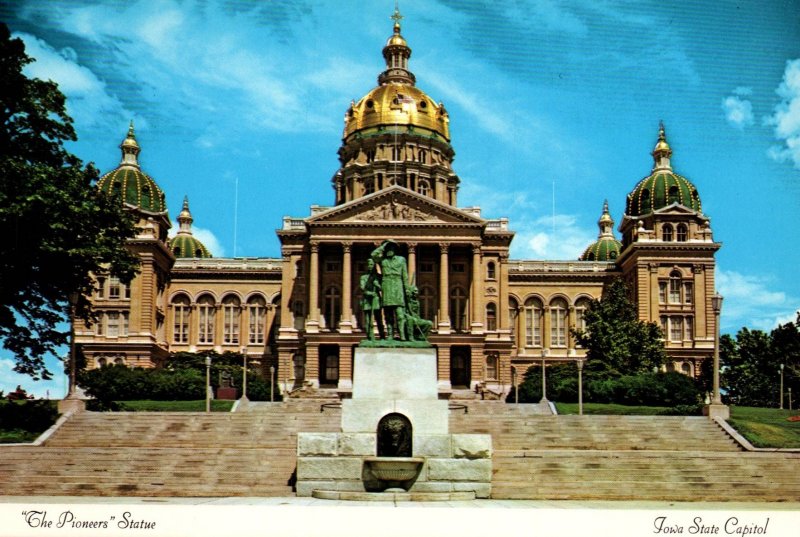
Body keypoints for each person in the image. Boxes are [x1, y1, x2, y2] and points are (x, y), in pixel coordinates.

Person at [370, 240, 409, 340]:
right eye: (388, 248)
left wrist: (407, 288)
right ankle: (390, 335)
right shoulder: (383, 260)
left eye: (392, 248)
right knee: (388, 314)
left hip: (398, 284)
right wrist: (383, 246)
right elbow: (373, 255)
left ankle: (402, 335)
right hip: (386, 284)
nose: (390, 250)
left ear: (395, 249)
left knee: (400, 314)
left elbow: (405, 275)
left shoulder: (401, 260)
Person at [359, 258, 385, 340]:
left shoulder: (378, 277)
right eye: (369, 265)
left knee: (379, 319)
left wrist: (377, 285)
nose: (370, 266)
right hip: (367, 300)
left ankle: (382, 336)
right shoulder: (363, 277)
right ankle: (370, 337)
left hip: (376, 299)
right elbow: (362, 288)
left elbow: (383, 288)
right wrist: (370, 293)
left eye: (372, 265)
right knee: (368, 320)